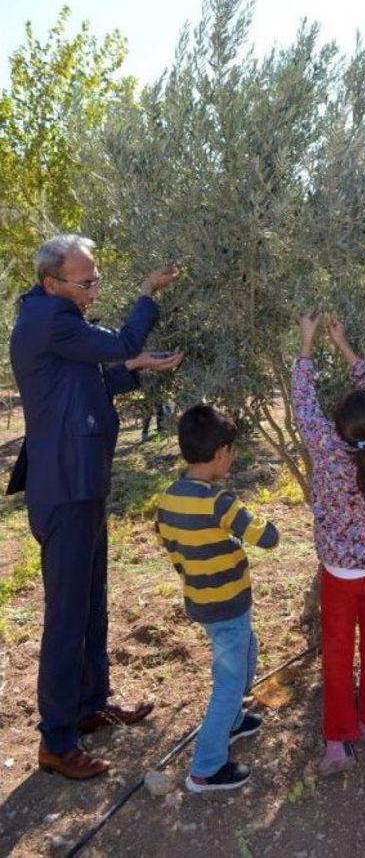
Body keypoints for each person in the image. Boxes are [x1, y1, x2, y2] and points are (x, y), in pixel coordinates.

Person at [8, 234, 182, 779]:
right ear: (51, 282)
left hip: (82, 480)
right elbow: (123, 338)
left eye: (95, 280)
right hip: (64, 487)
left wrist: (138, 368)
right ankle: (56, 741)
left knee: (91, 598)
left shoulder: (59, 322)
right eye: (86, 282)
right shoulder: (50, 320)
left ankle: (89, 703)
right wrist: (148, 294)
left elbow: (90, 379)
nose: (92, 289)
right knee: (66, 615)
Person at [291, 314, 365, 777]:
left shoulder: (322, 443)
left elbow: (302, 402)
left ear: (336, 423)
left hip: (338, 574)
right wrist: (347, 346)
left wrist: (308, 343)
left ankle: (339, 741)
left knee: (336, 656)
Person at [156, 405, 279, 792]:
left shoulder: (168, 500)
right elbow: (268, 537)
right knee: (227, 682)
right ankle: (206, 768)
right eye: (233, 452)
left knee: (245, 649)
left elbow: (172, 547)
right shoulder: (219, 502)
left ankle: (234, 720)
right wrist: (260, 521)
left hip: (203, 602)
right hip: (228, 604)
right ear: (222, 452)